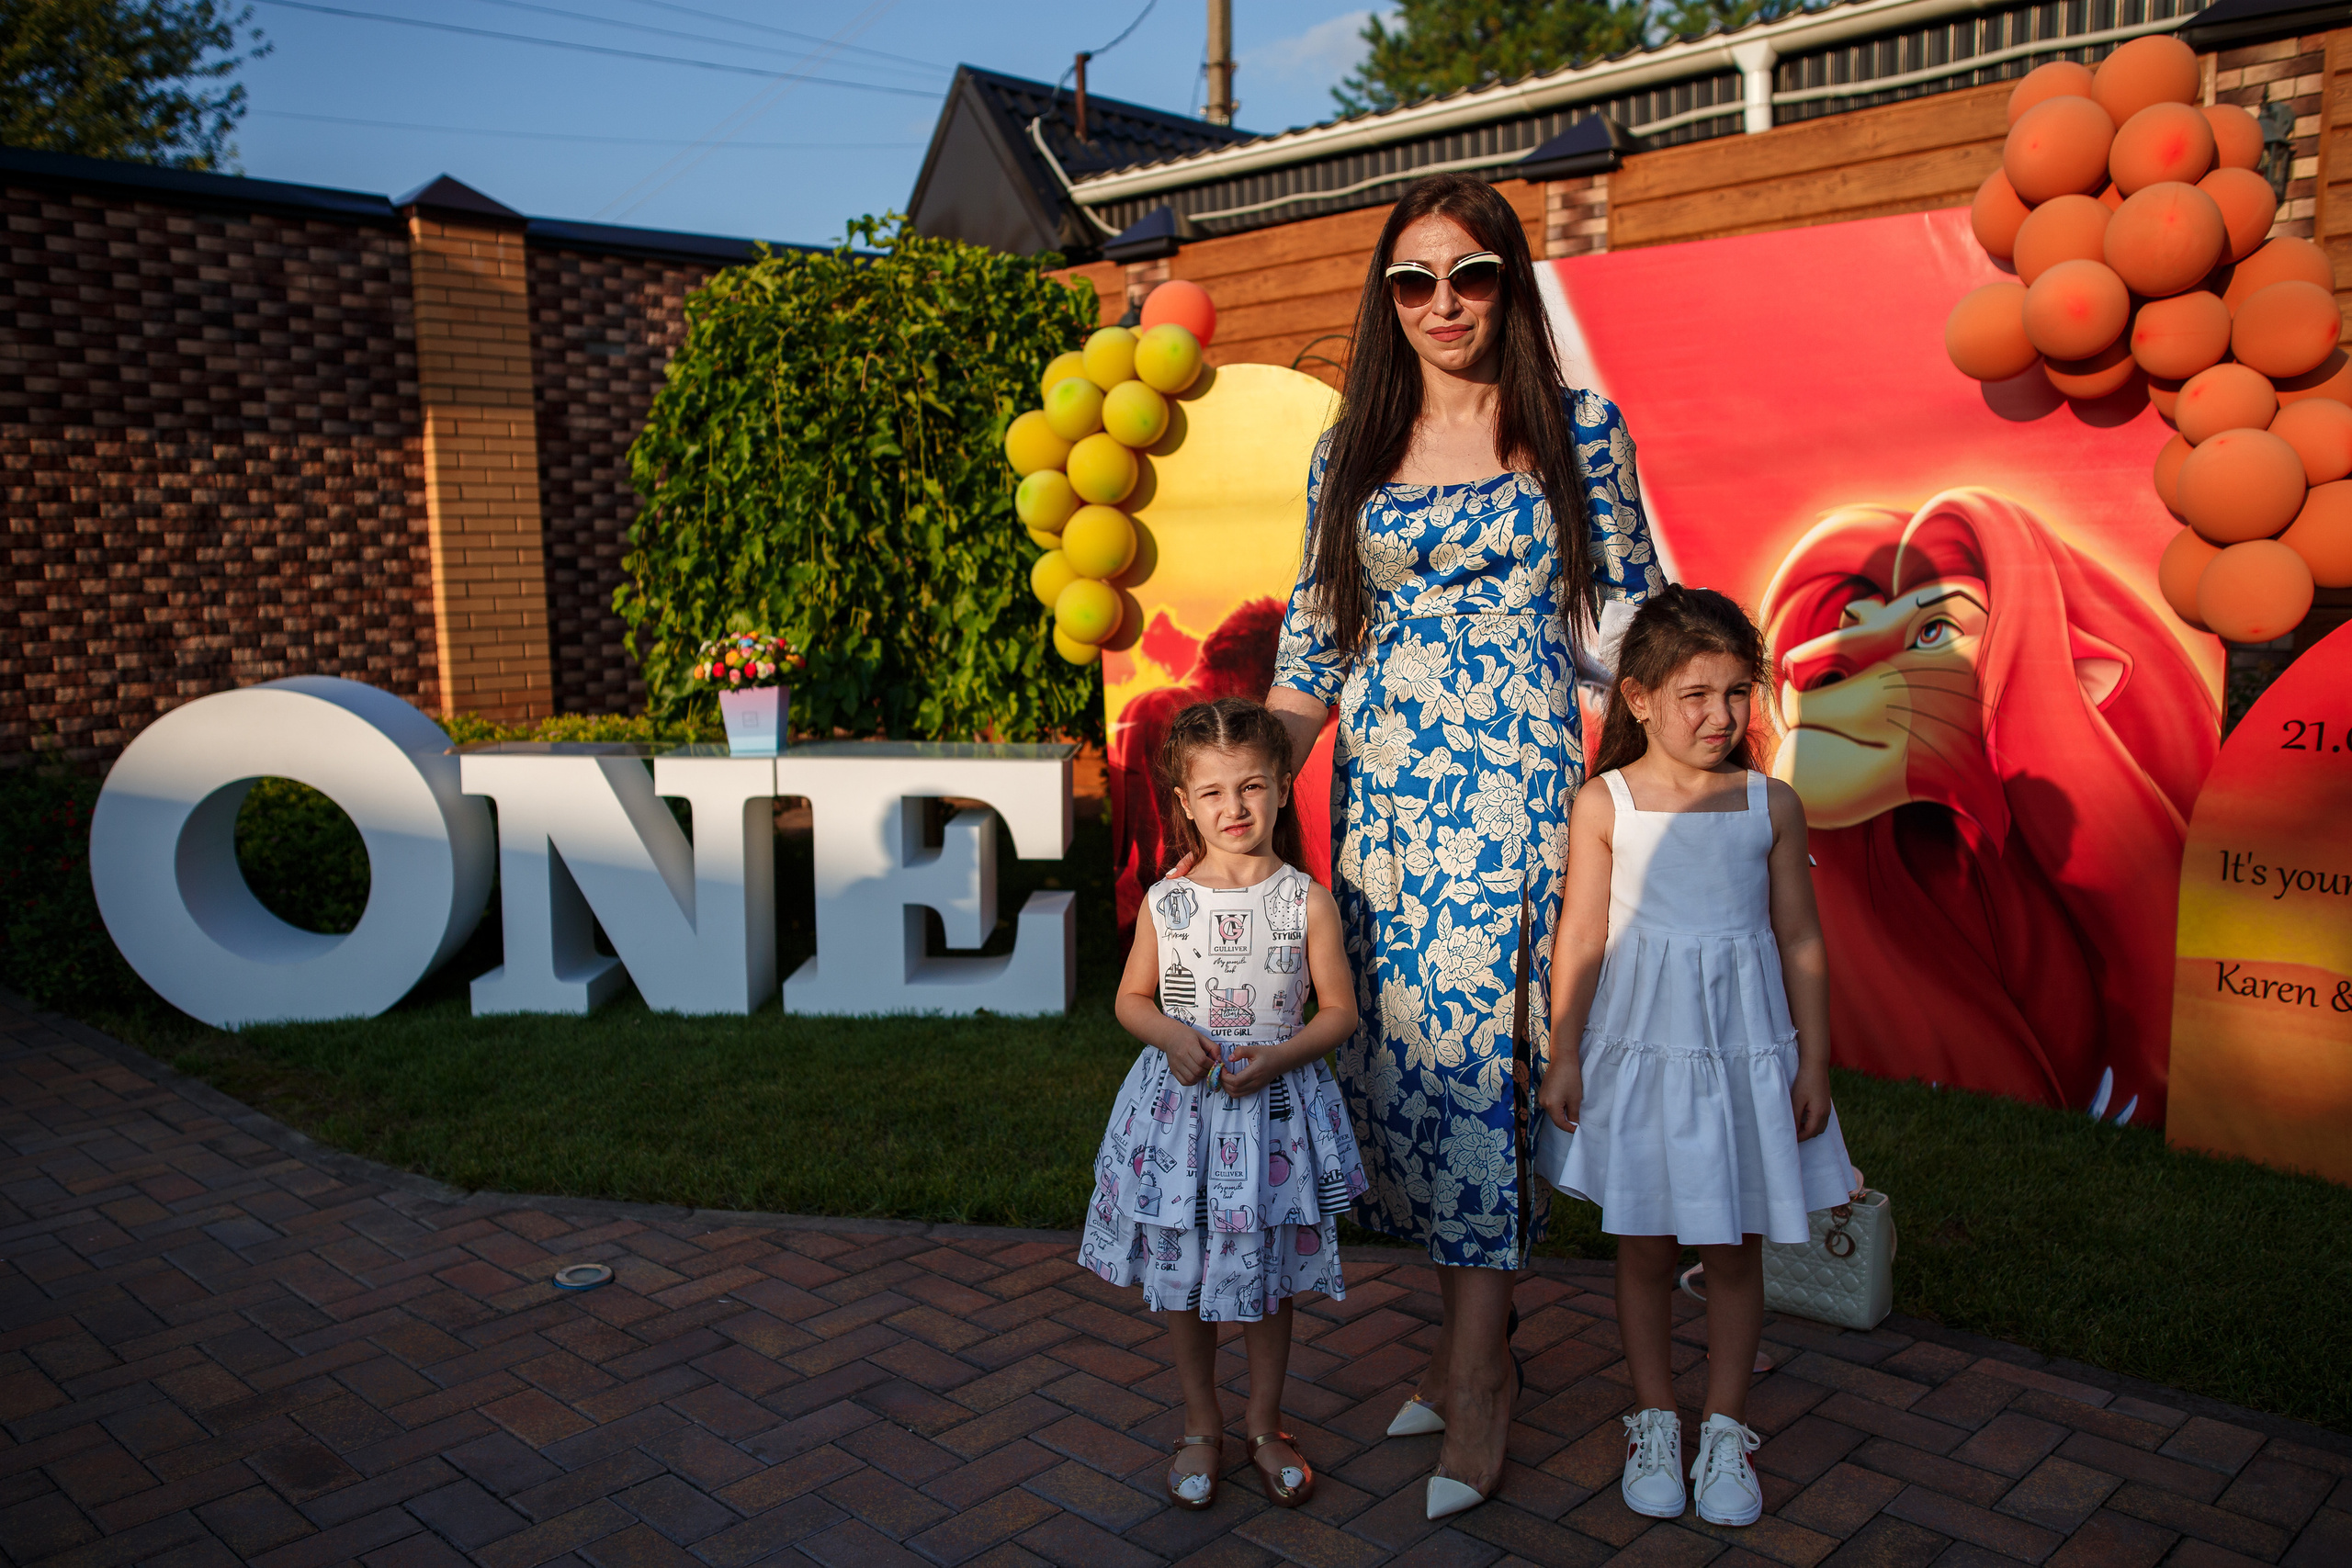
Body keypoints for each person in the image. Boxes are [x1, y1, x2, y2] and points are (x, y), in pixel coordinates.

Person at [1265, 170, 1662, 1518]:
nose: (1445, 303)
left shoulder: (1578, 433)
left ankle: (1485, 1376)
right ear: (1388, 299)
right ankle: (1463, 1338)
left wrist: (1676, 780)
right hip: (1381, 812)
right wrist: (1234, 791)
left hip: (1518, 805)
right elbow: (1312, 655)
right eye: (1415, 280)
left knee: (1491, 1070)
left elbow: (1636, 632)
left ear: (1510, 282)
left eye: (1473, 273)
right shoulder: (1351, 451)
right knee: (1413, 1079)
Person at [1535, 586, 1854, 1529]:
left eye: (1735, 693)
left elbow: (1799, 940)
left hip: (1743, 1054)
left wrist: (1812, 1064)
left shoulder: (1771, 803)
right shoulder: (1607, 803)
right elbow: (1581, 933)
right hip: (1639, 1056)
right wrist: (1564, 1053)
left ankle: (1723, 1431)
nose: (1720, 716)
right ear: (1637, 699)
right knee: (1641, 1245)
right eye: (1695, 695)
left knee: (1731, 1244)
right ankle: (1652, 1419)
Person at [1075, 696, 1367, 1514]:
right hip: (1184, 1116)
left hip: (1272, 1117)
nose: (1234, 808)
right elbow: (1130, 999)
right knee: (1186, 1269)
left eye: (1253, 787)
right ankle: (1200, 1423)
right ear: (1184, 801)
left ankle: (1266, 1423)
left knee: (1266, 1277)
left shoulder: (1303, 900)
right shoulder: (1169, 903)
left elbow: (1337, 1011)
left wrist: (1279, 1054)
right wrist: (1170, 1035)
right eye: (1213, 793)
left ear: (1280, 788)